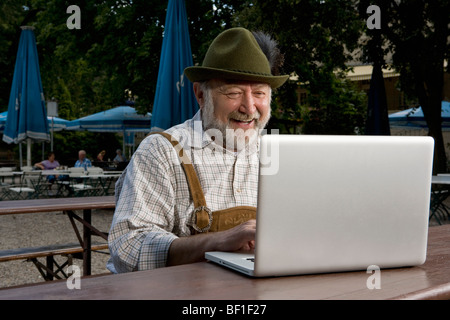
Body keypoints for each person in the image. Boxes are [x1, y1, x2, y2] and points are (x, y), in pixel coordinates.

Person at [107, 27, 288, 273]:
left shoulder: (278, 154)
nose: (249, 107)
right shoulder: (162, 151)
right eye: (233, 93)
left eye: (259, 93)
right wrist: (217, 241)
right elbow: (127, 247)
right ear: (201, 94)